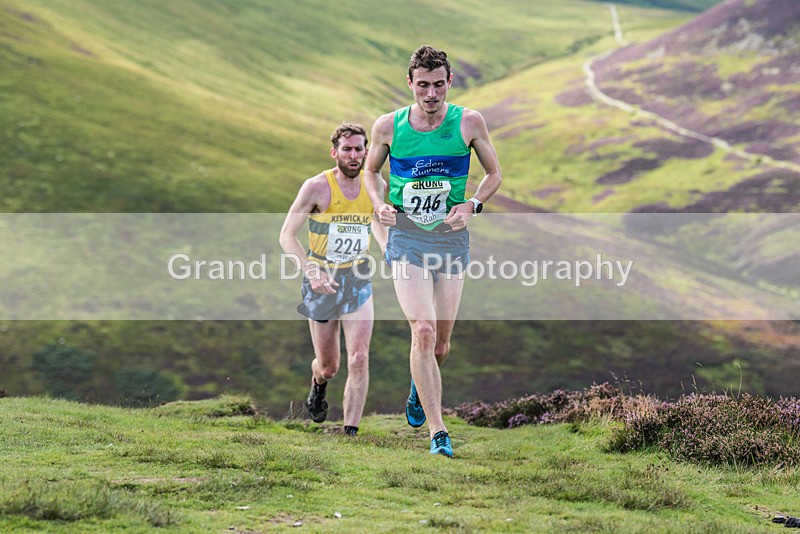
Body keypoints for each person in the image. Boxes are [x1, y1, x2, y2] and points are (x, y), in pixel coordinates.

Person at [363, 45, 502, 457]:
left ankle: (417, 388)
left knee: (440, 345)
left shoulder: (469, 122)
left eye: (438, 85)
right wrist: (379, 203)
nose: (430, 94)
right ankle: (438, 431)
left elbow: (495, 174)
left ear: (449, 82)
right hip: (406, 237)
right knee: (420, 330)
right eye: (422, 85)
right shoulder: (388, 127)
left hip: (450, 239)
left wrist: (472, 205)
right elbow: (371, 171)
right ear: (410, 83)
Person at [279, 123, 386, 436]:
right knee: (330, 366)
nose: (354, 156)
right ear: (334, 152)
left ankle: (350, 431)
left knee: (359, 356)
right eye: (347, 149)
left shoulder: (375, 183)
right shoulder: (316, 187)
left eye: (359, 149)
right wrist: (311, 271)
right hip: (321, 282)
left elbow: (377, 220)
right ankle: (318, 382)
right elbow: (286, 235)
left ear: (367, 150)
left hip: (357, 279)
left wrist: (386, 244)